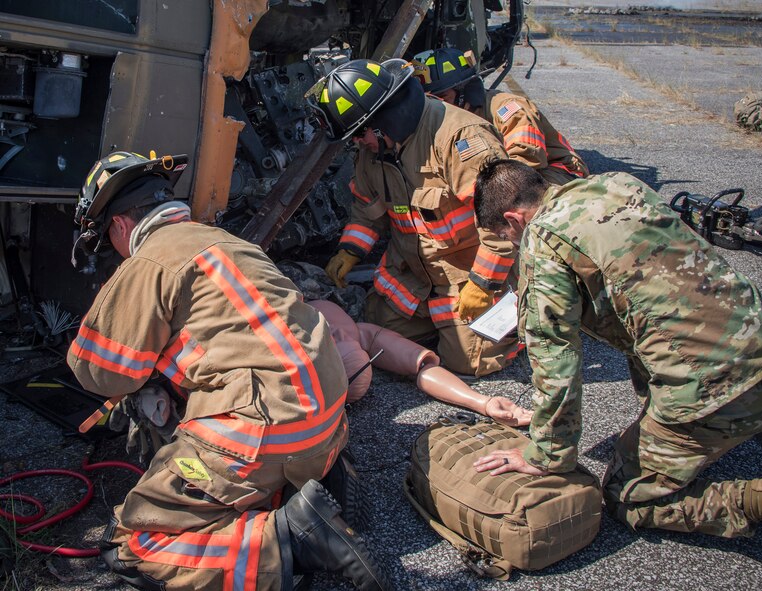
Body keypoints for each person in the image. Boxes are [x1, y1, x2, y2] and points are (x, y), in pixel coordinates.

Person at [470, 159, 762, 573]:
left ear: (512, 218)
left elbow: (556, 362)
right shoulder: (613, 184)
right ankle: (695, 428)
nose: (509, 244)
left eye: (504, 236)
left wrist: (545, 453)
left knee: (624, 494)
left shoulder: (542, 238)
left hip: (719, 386)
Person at [67, 151, 392, 591]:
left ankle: (291, 540)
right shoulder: (228, 243)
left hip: (263, 429)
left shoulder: (148, 261)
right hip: (328, 414)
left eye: (109, 239)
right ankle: (304, 487)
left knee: (132, 543)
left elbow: (100, 373)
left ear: (121, 226)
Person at [306, 58, 519, 378]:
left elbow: (504, 220)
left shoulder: (460, 140)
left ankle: (524, 316)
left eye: (360, 134)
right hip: (414, 275)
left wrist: (482, 283)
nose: (357, 143)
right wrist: (349, 251)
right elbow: (368, 209)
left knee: (469, 362)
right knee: (372, 326)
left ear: (383, 122)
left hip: (469, 275)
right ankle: (446, 326)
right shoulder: (374, 150)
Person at [309, 299, 531, 426]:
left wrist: (483, 402)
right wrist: (482, 402)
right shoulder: (353, 334)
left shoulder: (355, 334)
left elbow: (421, 365)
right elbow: (422, 368)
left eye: (341, 335)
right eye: (338, 336)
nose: (340, 333)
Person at [412, 47, 588, 185]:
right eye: (430, 100)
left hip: (558, 172)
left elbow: (526, 165)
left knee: (517, 201)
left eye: (442, 98)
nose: (436, 107)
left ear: (464, 91)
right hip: (506, 178)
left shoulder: (510, 110)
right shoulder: (449, 120)